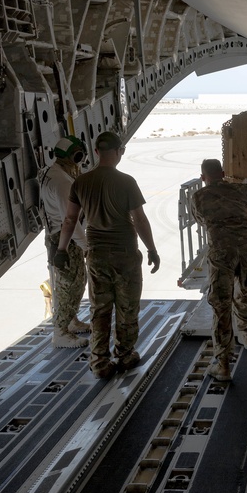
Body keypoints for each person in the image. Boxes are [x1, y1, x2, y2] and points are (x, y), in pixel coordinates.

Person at [55, 131, 161, 379]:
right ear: (119, 152)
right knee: (127, 308)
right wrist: (152, 249)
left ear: (96, 152)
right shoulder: (126, 182)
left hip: (97, 255)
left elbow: (70, 219)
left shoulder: (81, 182)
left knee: (100, 310)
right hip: (124, 254)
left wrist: (61, 249)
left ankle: (100, 362)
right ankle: (124, 355)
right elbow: (139, 219)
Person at [191, 159, 247, 381]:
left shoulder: (199, 197)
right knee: (241, 287)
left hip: (222, 250)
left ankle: (223, 364)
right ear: (223, 173)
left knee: (220, 302)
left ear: (204, 177)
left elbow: (199, 219)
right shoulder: (239, 189)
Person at [41, 136, 90, 348]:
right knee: (73, 284)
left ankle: (70, 321)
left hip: (57, 235)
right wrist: (85, 245)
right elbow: (69, 219)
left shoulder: (52, 173)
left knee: (67, 283)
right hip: (65, 239)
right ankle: (60, 332)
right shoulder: (63, 182)